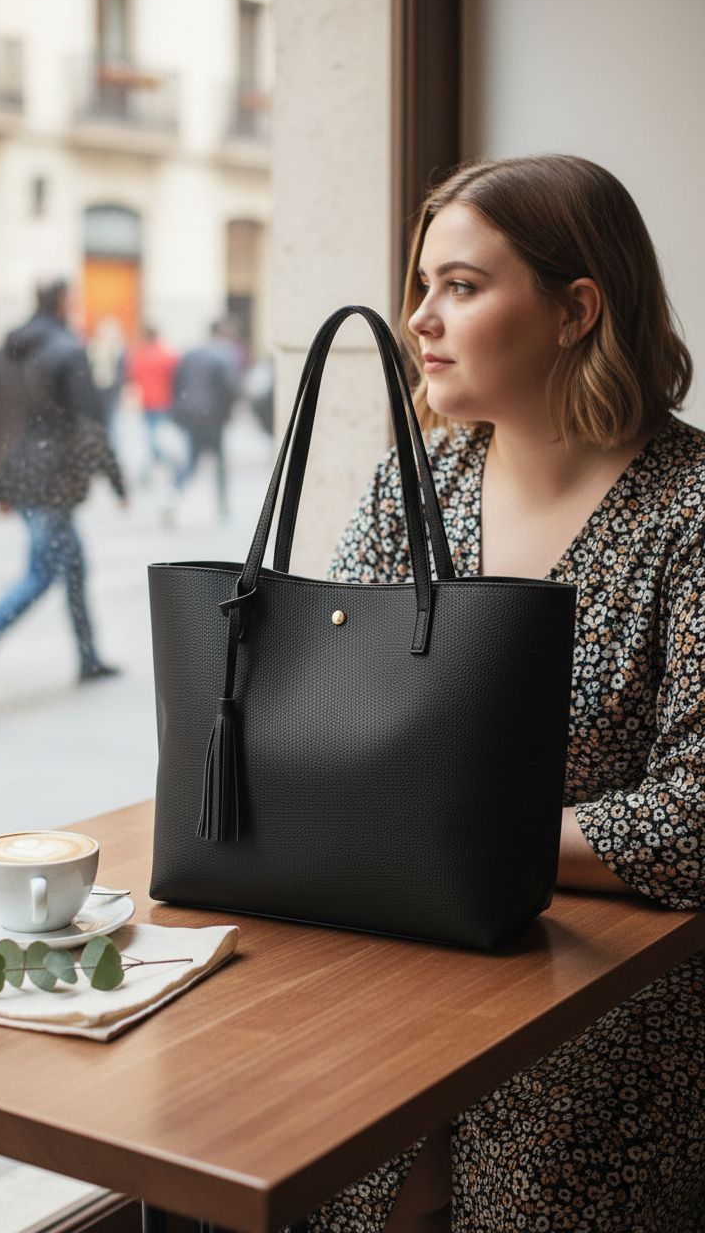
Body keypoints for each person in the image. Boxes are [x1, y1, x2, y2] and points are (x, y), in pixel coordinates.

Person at [299, 155, 705, 1232]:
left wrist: (460, 837)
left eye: (462, 287)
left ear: (576, 309)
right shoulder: (411, 486)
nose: (419, 320)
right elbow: (337, 726)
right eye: (421, 284)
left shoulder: (691, 513)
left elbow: (694, 819)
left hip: (600, 1004)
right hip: (397, 968)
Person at [0, 278, 126, 709]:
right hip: (54, 479)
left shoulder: (5, 351)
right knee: (43, 571)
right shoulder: (68, 351)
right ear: (64, 302)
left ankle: (88, 657)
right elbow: (92, 422)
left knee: (74, 563)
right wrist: (116, 478)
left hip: (21, 474)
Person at [171, 318, 242, 519]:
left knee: (192, 459)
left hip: (191, 414)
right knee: (219, 461)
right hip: (213, 417)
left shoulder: (192, 353)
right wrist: (227, 414)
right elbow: (231, 388)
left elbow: (177, 383)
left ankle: (174, 494)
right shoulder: (226, 355)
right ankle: (222, 506)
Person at [128, 324, 180, 482]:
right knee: (155, 437)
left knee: (152, 437)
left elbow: (133, 375)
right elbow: (176, 377)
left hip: (148, 401)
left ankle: (154, 468)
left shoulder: (140, 355)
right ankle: (163, 464)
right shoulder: (167, 355)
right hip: (164, 400)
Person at [86, 316, 126, 443]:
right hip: (97, 392)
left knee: (110, 423)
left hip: (108, 392)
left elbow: (120, 373)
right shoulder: (93, 348)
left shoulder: (117, 350)